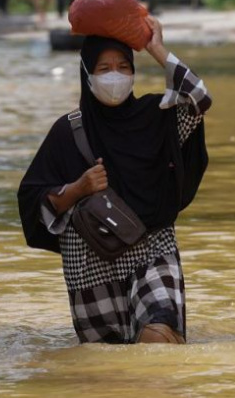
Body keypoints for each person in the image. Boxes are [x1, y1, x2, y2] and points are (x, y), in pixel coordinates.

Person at [18, 16, 211, 344]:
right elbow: (32, 201)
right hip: (90, 265)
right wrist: (77, 189)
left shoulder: (158, 115)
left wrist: (157, 49)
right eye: (104, 69)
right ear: (87, 75)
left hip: (153, 249)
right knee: (111, 370)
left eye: (123, 67)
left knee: (159, 337)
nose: (115, 77)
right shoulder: (68, 132)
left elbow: (199, 99)